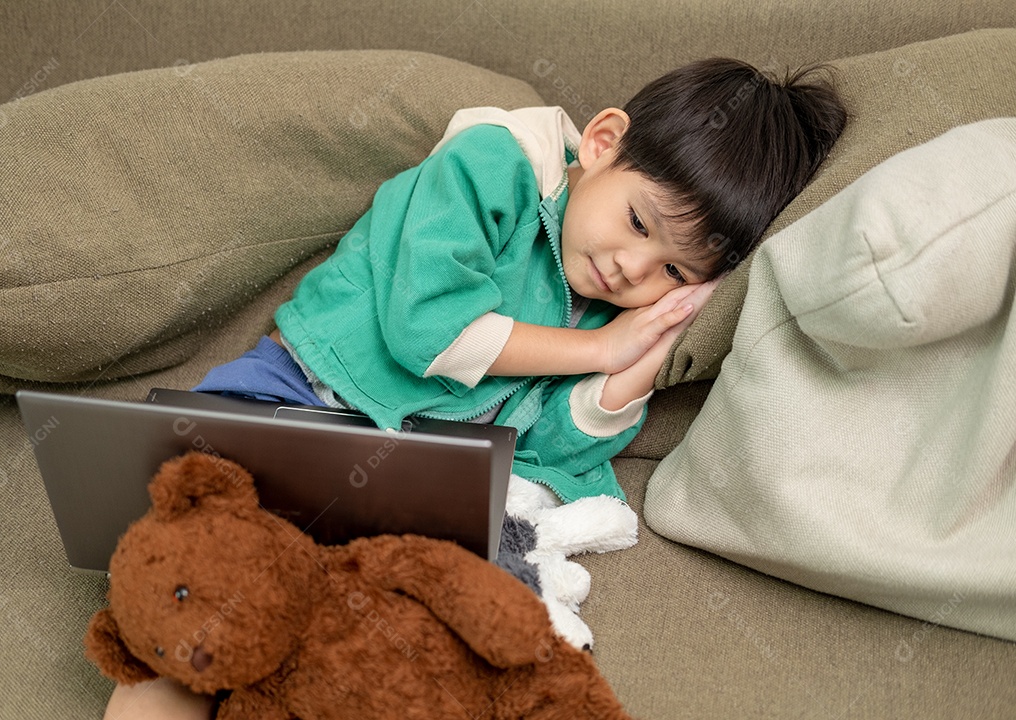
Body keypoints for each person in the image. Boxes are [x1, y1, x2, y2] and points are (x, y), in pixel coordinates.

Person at [104, 57, 847, 717]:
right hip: (294, 395)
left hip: (412, 483)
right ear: (602, 142)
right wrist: (598, 346)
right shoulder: (495, 164)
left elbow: (551, 449)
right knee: (200, 594)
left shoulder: (614, 310)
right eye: (637, 222)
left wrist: (634, 365)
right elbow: (427, 329)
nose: (632, 268)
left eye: (674, 272)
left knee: (367, 651)